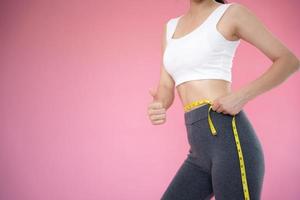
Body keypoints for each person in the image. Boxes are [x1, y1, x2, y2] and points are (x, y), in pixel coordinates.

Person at [147, 0, 300, 199]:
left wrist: (242, 96)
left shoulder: (231, 14)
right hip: (198, 149)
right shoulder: (170, 28)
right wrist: (159, 104)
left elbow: (288, 61)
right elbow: (166, 86)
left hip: (230, 139)